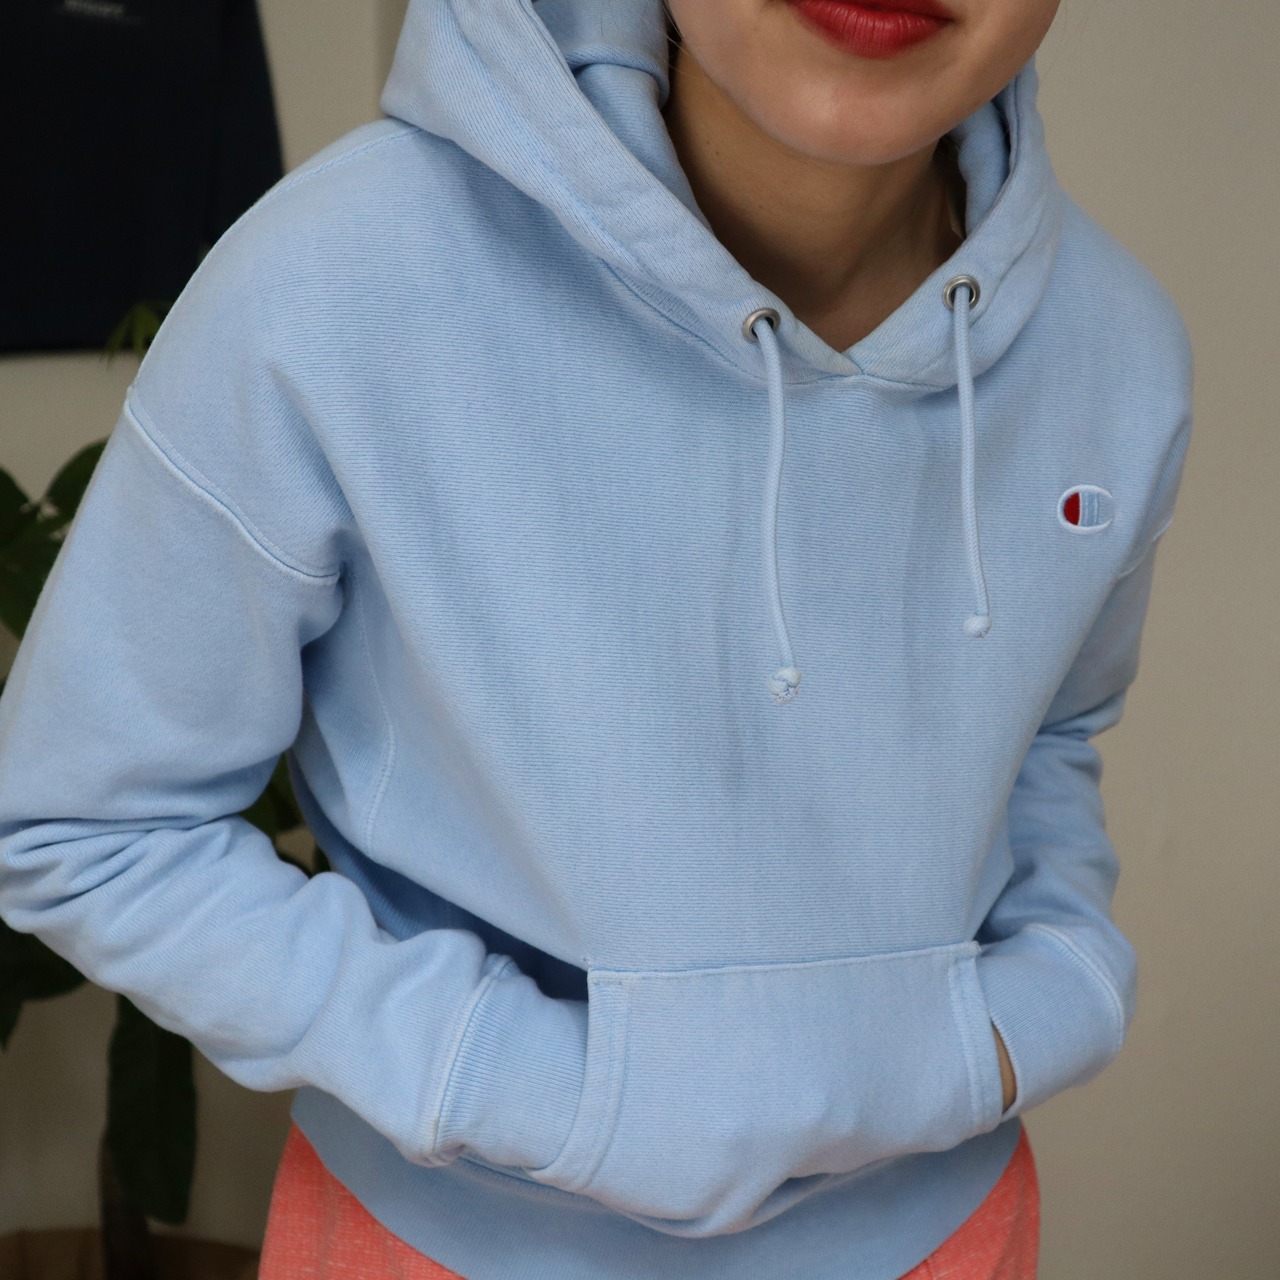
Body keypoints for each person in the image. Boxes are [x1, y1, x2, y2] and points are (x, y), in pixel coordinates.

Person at [0, 0, 1193, 1276]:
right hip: (445, 1249)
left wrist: (1031, 1008)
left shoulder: (1115, 346)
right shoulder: (333, 282)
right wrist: (532, 1088)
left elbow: (1052, 728)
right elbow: (87, 824)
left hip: (949, 1234)